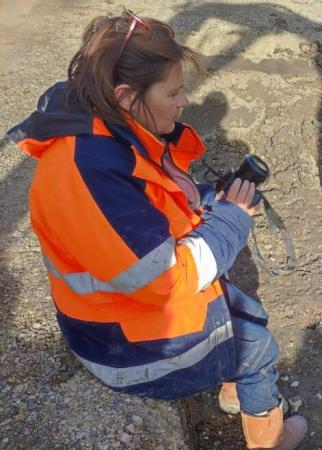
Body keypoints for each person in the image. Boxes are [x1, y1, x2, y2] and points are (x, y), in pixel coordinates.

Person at [6, 10, 306, 450]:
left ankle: (230, 390)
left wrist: (211, 201)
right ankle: (270, 437)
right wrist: (233, 218)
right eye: (175, 91)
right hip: (123, 346)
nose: (184, 102)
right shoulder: (88, 173)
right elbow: (166, 279)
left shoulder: (108, 134)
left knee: (245, 309)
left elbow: (152, 210)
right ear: (127, 96)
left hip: (120, 315)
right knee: (258, 346)